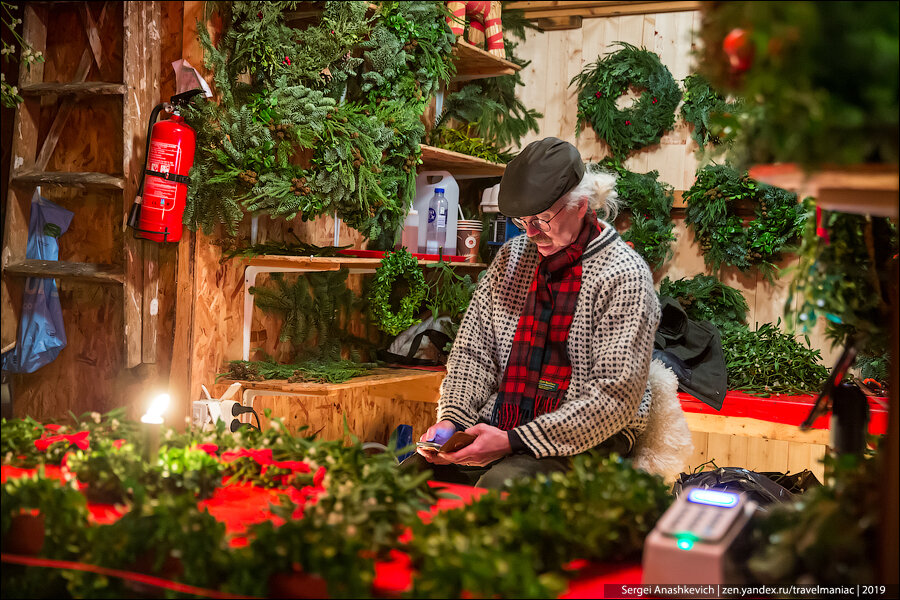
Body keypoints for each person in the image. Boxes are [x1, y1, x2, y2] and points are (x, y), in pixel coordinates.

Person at [401, 137, 661, 489]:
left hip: (589, 434)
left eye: (541, 219)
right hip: (504, 418)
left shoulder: (624, 276)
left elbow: (614, 398)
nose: (532, 233)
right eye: (523, 221)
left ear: (581, 205)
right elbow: (473, 353)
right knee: (403, 483)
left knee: (499, 491)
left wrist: (514, 442)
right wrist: (453, 421)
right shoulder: (512, 258)